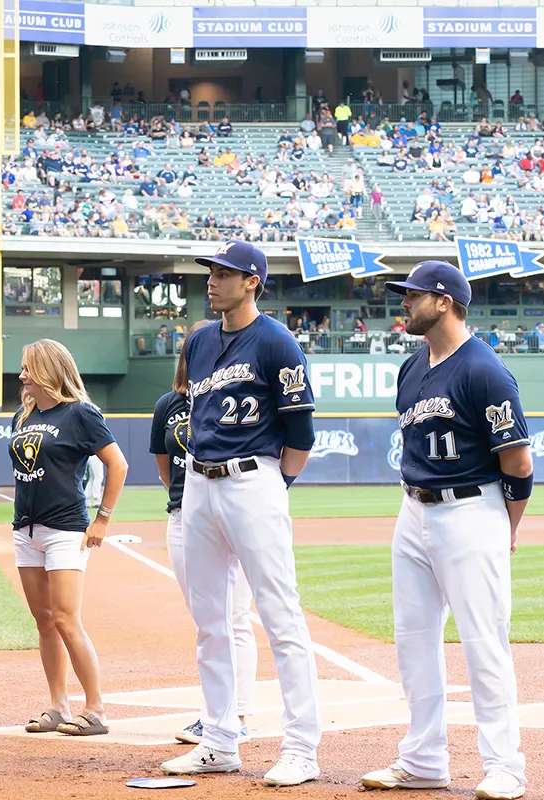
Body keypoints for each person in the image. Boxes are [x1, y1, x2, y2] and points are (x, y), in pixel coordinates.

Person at [361, 261, 532, 800]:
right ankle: (423, 760)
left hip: (471, 510)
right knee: (413, 641)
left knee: (484, 643)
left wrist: (506, 527)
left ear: (445, 301)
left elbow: (519, 464)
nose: (403, 304)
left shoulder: (484, 369)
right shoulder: (411, 369)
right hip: (413, 509)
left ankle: (506, 767)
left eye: (412, 296)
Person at [160, 240, 320, 787]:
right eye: (210, 271)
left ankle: (301, 747)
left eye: (224, 273)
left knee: (280, 614)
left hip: (254, 478)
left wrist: (275, 481)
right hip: (199, 484)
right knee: (211, 623)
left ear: (252, 281)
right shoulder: (201, 341)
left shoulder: (277, 341)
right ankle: (220, 740)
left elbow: (301, 432)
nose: (212, 280)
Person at [11, 339, 127, 737]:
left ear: (48, 370)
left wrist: (102, 519)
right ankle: (58, 705)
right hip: (26, 529)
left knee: (65, 618)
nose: (22, 374)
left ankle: (95, 710)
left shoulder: (81, 414)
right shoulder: (21, 416)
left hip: (65, 529)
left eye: (28, 368)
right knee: (43, 621)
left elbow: (118, 464)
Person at [149, 319, 254, 746]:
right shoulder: (167, 406)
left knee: (236, 616)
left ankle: (236, 714)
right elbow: (164, 468)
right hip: (183, 515)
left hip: (235, 511)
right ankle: (217, 712)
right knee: (208, 619)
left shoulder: (236, 395)